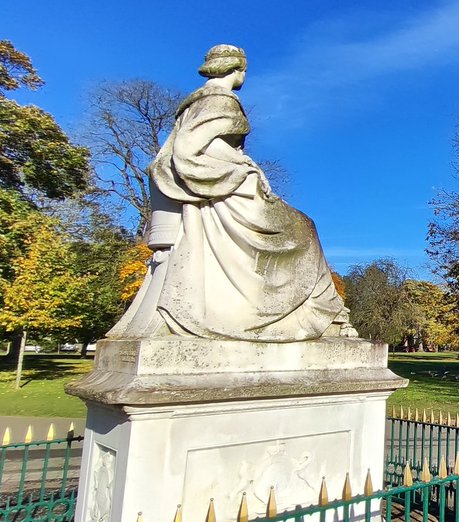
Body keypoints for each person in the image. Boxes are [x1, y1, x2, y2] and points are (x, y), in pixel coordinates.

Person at [109, 44, 353, 342]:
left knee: (303, 227)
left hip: (218, 186)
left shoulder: (197, 104)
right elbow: (191, 149)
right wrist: (245, 167)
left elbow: (187, 147)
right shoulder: (219, 101)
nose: (244, 76)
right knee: (303, 229)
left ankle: (325, 311)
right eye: (244, 70)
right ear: (237, 69)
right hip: (222, 187)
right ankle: (321, 313)